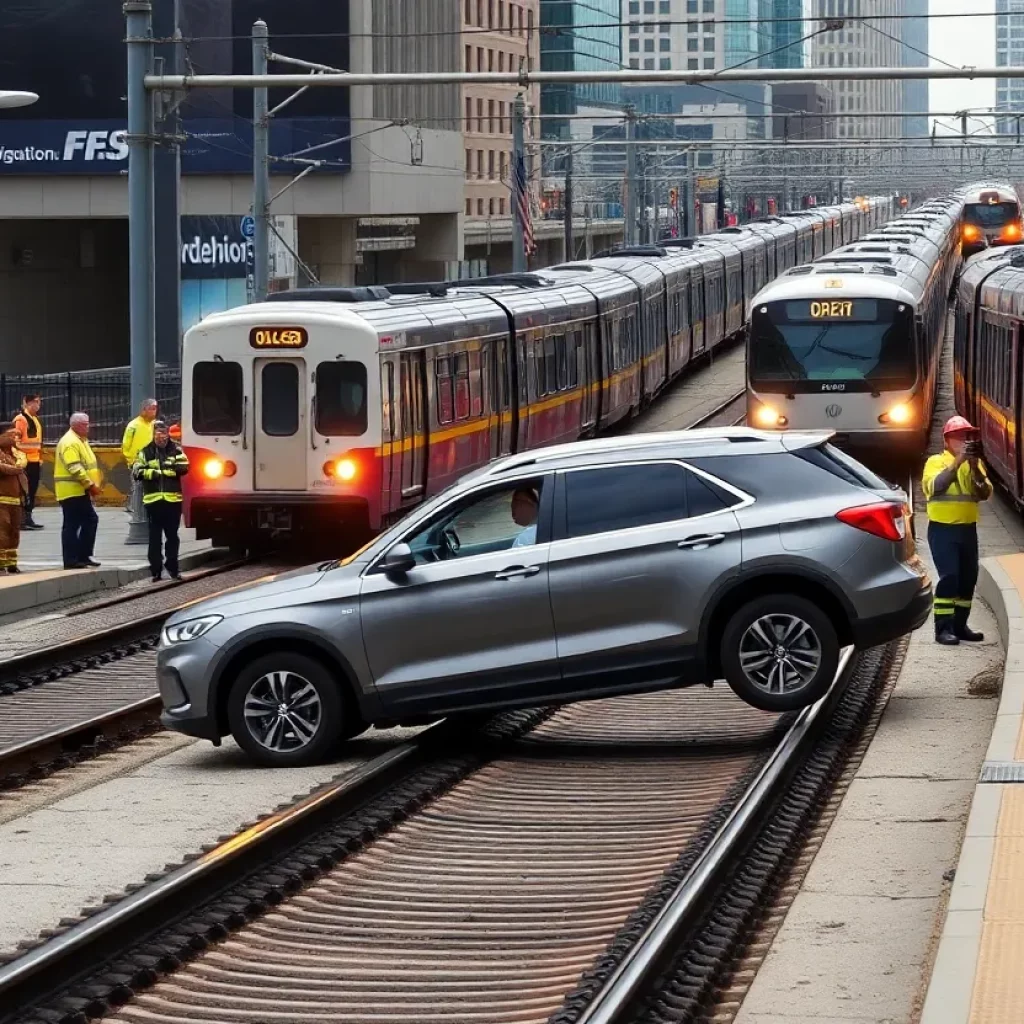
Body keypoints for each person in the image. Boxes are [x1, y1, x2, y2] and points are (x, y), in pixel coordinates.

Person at [922, 415, 993, 645]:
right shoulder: (935, 462)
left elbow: (984, 493)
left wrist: (974, 468)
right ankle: (943, 629)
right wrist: (957, 462)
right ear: (947, 440)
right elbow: (936, 486)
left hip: (967, 530)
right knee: (950, 576)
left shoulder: (975, 464)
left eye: (967, 436)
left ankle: (960, 627)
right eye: (960, 436)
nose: (964, 440)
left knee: (967, 579)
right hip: (942, 530)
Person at [132, 420, 189, 582]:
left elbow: (184, 467)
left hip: (173, 500)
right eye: (158, 433)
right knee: (154, 537)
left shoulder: (176, 449)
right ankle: (156, 570)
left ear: (167, 434)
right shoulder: (145, 451)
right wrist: (156, 473)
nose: (161, 437)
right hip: (154, 500)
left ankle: (173, 568)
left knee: (172, 536)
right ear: (153, 434)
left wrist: (165, 471)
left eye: (163, 433)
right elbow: (137, 472)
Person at [54, 412, 102, 570]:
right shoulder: (70, 442)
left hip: (79, 490)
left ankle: (80, 556)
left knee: (81, 522)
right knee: (77, 523)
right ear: (75, 425)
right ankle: (74, 558)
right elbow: (74, 467)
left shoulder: (80, 440)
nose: (88, 427)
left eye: (88, 423)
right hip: (72, 490)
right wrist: (89, 485)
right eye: (84, 424)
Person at [0, 422, 28, 574]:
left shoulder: (17, 454)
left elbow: (20, 467)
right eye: (12, 435)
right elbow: (2, 468)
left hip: (16, 501)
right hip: (1, 501)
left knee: (14, 532)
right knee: (1, 532)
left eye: (18, 435)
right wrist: (15, 469)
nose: (16, 438)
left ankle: (11, 563)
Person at [13, 394, 43, 530]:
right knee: (25, 492)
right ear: (27, 404)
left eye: (39, 402)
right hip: (25, 462)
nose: (38, 405)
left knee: (32, 491)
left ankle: (28, 517)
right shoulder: (21, 419)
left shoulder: (35, 419)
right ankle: (22, 520)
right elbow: (16, 441)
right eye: (36, 402)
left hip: (35, 460)